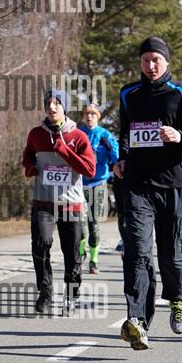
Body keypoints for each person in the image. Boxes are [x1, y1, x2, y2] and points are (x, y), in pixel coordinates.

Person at [113, 36, 182, 350]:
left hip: (172, 184)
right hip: (137, 185)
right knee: (137, 252)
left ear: (166, 61)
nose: (150, 65)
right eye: (145, 60)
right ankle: (138, 320)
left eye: (156, 59)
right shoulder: (128, 93)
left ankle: (178, 298)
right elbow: (125, 132)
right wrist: (122, 159)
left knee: (170, 253)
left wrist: (180, 135)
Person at [23, 90, 96, 316]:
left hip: (70, 204)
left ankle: (71, 295)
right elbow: (28, 155)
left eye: (56, 103)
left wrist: (65, 151)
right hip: (43, 202)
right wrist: (31, 167)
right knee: (40, 244)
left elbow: (90, 170)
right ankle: (45, 291)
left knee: (72, 252)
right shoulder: (36, 134)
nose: (52, 107)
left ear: (64, 108)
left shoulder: (78, 136)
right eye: (48, 103)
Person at [79, 103, 119, 274]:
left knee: (93, 223)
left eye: (93, 114)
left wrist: (113, 156)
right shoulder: (78, 134)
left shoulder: (105, 135)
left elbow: (117, 158)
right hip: (80, 184)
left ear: (98, 117)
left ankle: (93, 261)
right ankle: (80, 255)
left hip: (99, 183)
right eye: (86, 114)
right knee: (80, 225)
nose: (89, 117)